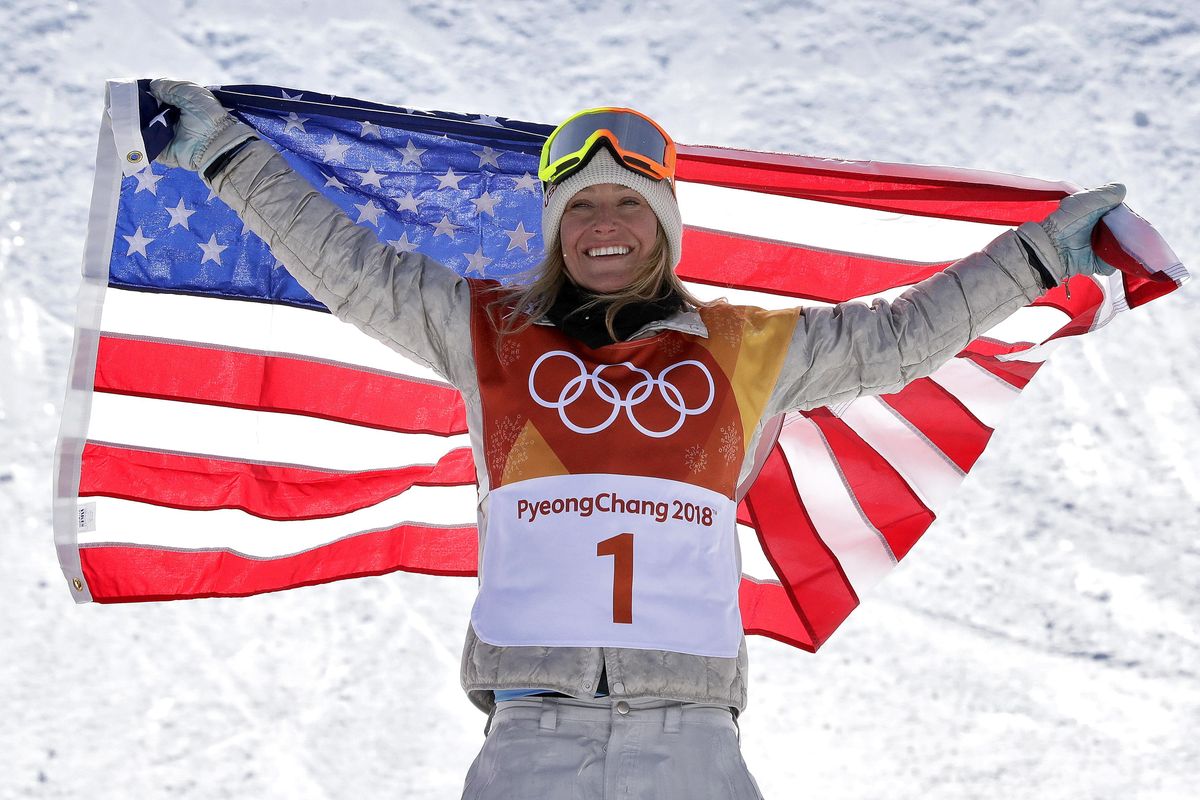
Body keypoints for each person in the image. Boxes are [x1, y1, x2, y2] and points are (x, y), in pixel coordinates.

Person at [147, 80, 1125, 799]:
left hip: (695, 745)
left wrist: (1040, 255)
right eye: (580, 206)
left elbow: (900, 336)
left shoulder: (751, 349)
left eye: (628, 204)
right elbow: (350, 266)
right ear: (554, 227)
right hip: (530, 739)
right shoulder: (486, 327)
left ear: (664, 224)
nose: (603, 223)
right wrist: (222, 151)